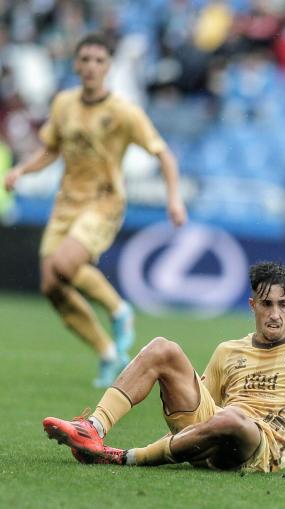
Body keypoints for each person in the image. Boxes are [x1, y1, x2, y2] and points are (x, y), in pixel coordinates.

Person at [42, 262, 285, 477]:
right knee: (162, 348)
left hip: (260, 446)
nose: (275, 313)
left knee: (233, 418)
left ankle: (124, 457)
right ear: (253, 304)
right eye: (267, 304)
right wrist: (194, 422)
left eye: (283, 304)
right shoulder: (227, 351)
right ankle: (93, 429)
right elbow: (204, 410)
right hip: (217, 427)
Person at [3, 33, 187, 388]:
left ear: (108, 66)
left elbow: (163, 153)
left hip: (103, 201)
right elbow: (50, 149)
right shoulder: (63, 104)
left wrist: (174, 198)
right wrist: (22, 170)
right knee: (52, 287)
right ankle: (107, 352)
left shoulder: (123, 111)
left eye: (99, 60)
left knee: (63, 265)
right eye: (85, 59)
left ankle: (119, 310)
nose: (91, 66)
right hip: (66, 202)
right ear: (75, 64)